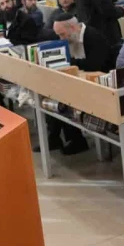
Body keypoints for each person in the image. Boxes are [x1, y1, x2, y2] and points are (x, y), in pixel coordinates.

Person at [46, 13, 112, 154]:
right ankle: (55, 138)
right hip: (81, 81)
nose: (61, 39)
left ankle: (77, 141)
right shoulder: (71, 38)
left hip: (101, 84)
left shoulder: (93, 37)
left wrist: (69, 63)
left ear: (74, 28)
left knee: (65, 99)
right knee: (51, 92)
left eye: (62, 34)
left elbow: (95, 65)